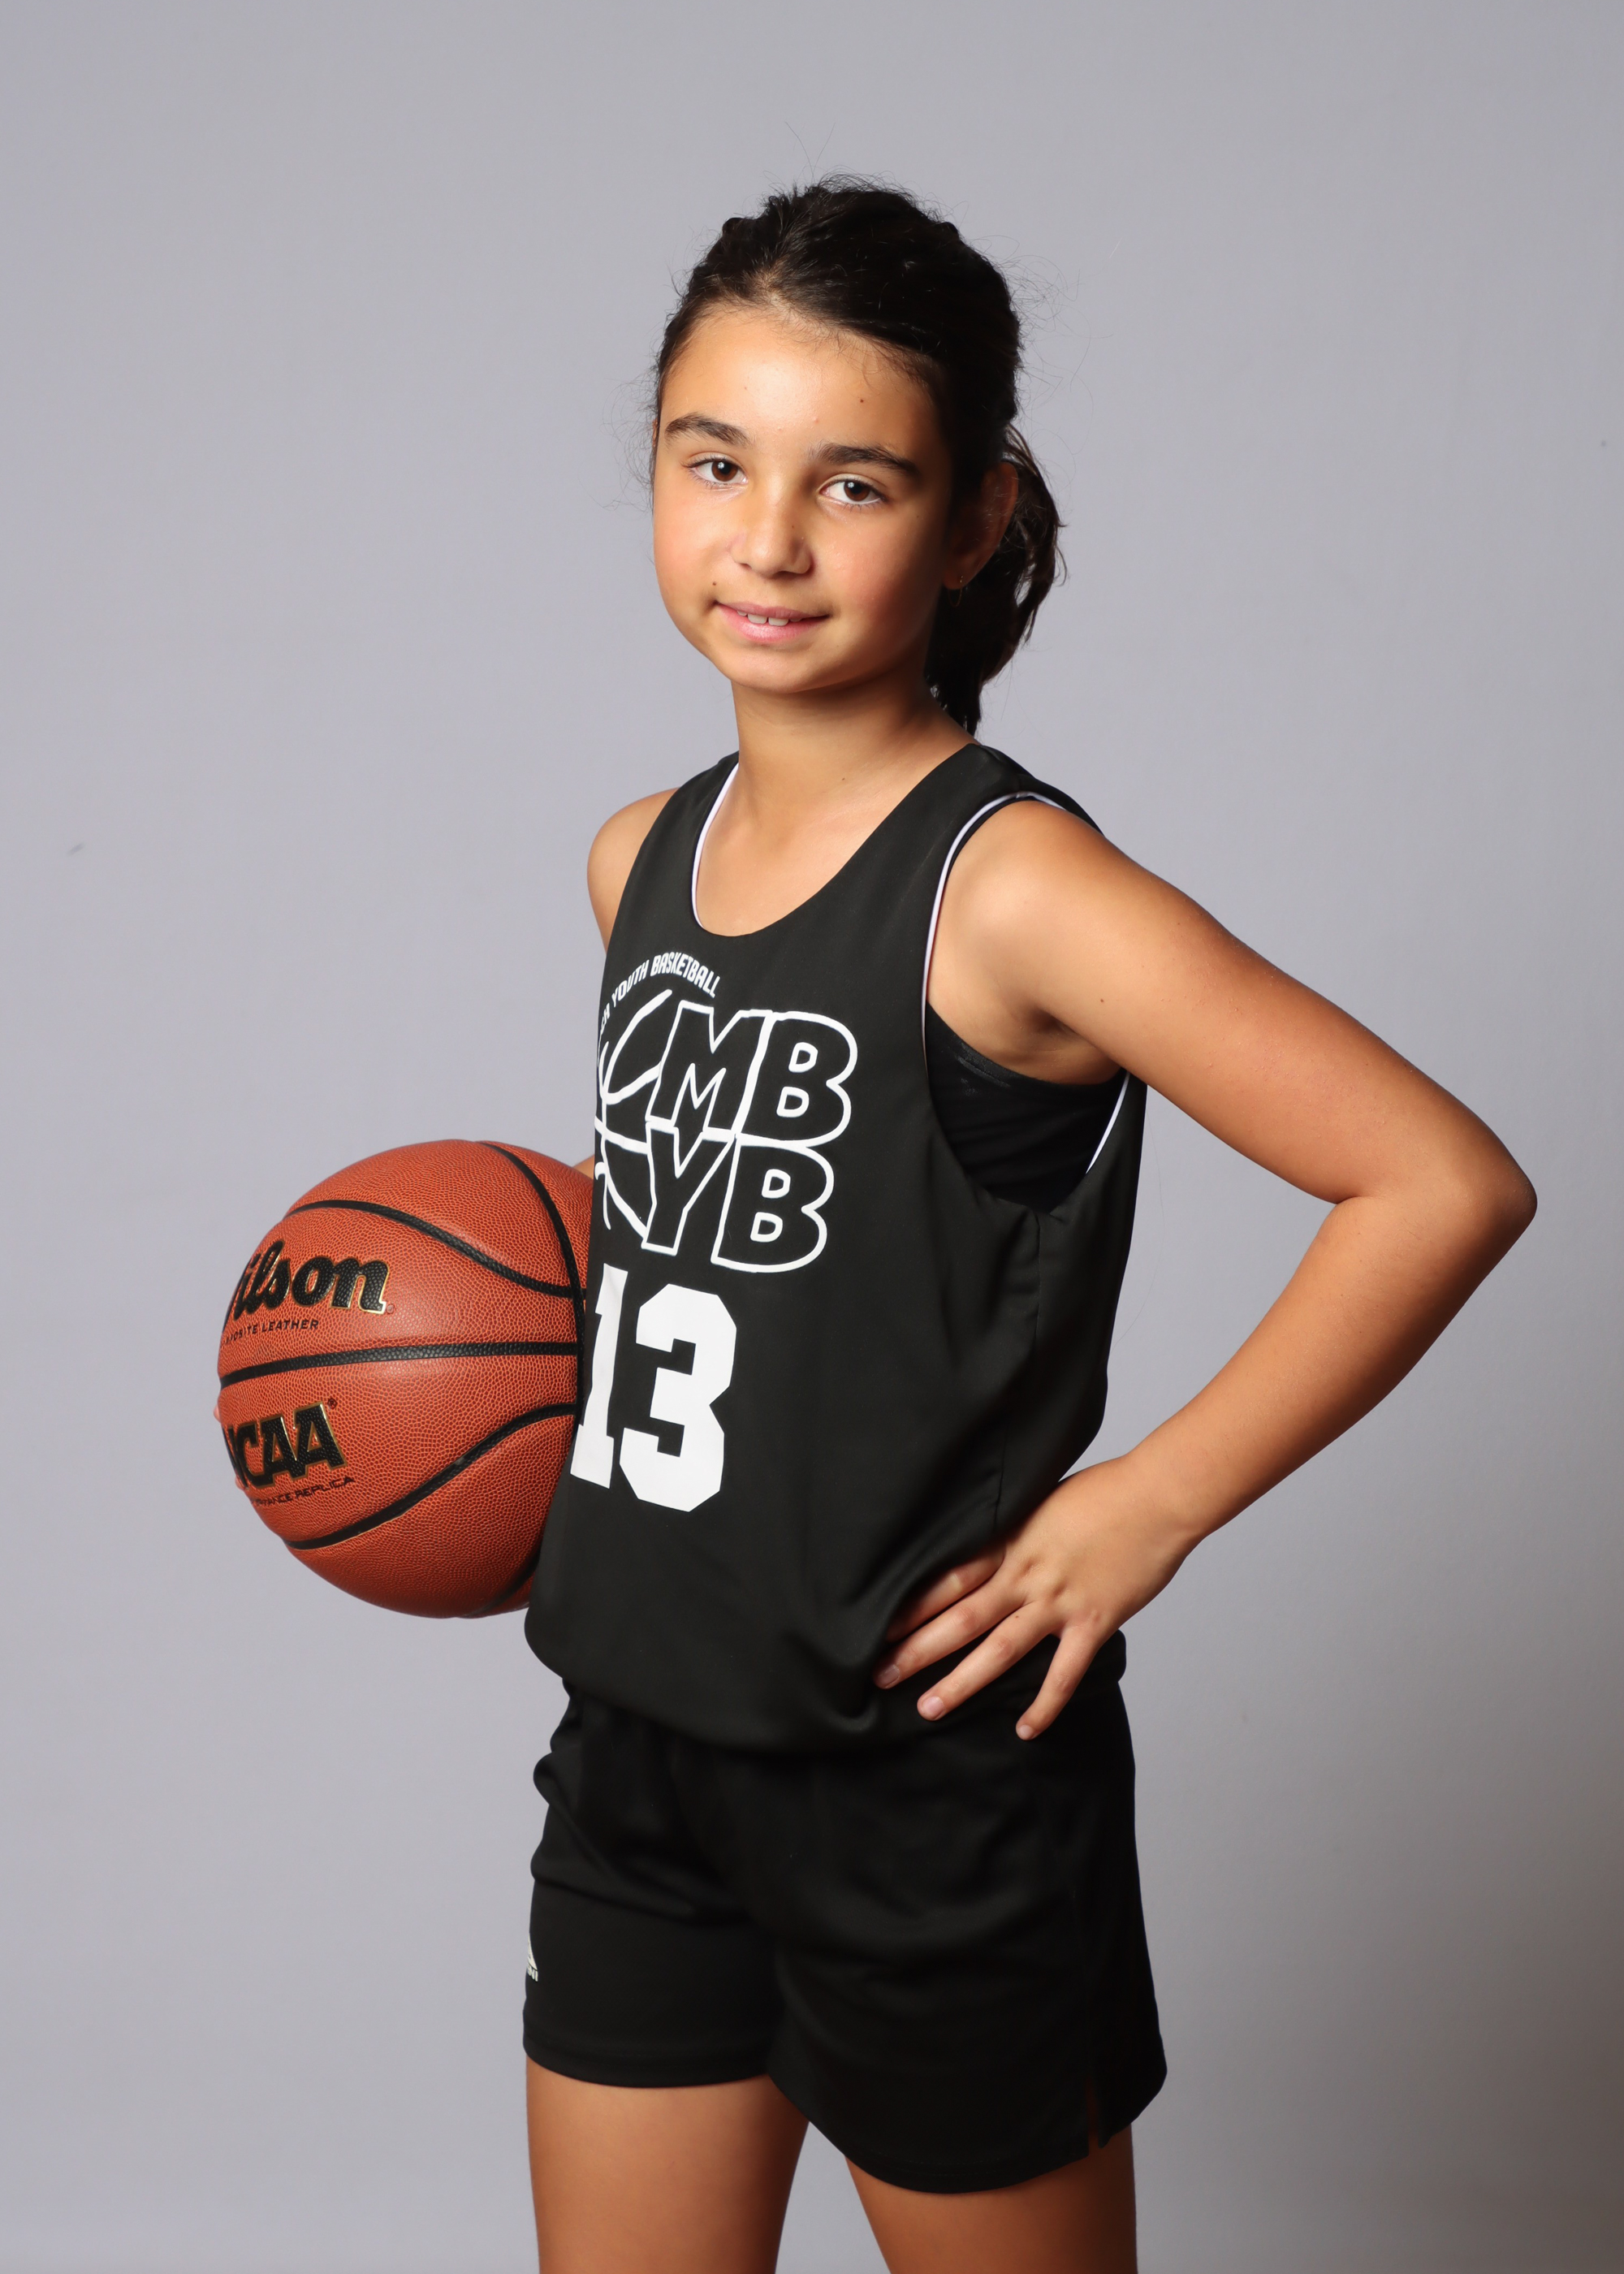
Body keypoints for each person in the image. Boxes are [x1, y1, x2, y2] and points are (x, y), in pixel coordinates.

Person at [517, 179, 1535, 2274]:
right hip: (637, 1758)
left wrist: (1151, 1501)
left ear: (977, 517)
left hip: (927, 1796)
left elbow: (1441, 1181)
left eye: (854, 481)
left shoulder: (1014, 893)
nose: (768, 540)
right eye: (714, 462)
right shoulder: (638, 862)